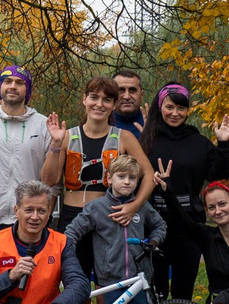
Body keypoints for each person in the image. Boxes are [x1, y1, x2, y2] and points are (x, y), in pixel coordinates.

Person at [64, 151, 168, 304]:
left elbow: (160, 225)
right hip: (112, 281)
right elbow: (73, 230)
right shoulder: (97, 208)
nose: (127, 182)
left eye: (133, 178)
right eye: (121, 176)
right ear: (109, 179)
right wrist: (62, 249)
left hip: (139, 279)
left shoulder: (141, 206)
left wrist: (153, 242)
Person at [139, 84, 229, 303]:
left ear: (187, 110)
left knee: (184, 290)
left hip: (189, 223)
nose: (175, 113)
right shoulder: (147, 141)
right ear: (159, 106)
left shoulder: (198, 142)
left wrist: (223, 144)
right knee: (156, 289)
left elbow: (218, 177)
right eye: (169, 107)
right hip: (154, 222)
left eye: (181, 108)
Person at [0, 67, 63, 252]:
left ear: (28, 90)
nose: (13, 86)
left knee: (28, 279)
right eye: (7, 82)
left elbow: (50, 182)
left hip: (27, 220)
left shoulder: (44, 125)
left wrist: (46, 215)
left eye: (20, 82)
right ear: (0, 87)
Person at [58, 77, 159, 238]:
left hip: (110, 215)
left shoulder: (124, 138)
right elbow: (50, 180)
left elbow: (149, 175)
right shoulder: (66, 137)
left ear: (113, 105)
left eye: (106, 100)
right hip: (72, 215)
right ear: (84, 99)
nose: (99, 104)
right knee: (71, 263)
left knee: (109, 263)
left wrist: (134, 206)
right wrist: (54, 146)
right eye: (94, 97)